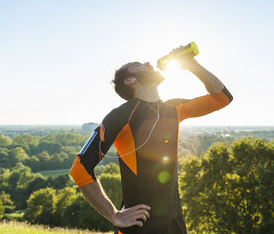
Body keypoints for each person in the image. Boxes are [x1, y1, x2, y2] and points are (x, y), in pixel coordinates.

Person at [69, 48, 233, 234]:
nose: (148, 63)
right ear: (130, 81)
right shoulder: (121, 115)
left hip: (175, 222)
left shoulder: (174, 108)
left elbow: (222, 98)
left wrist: (191, 65)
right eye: (139, 65)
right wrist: (114, 215)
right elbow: (80, 168)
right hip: (139, 225)